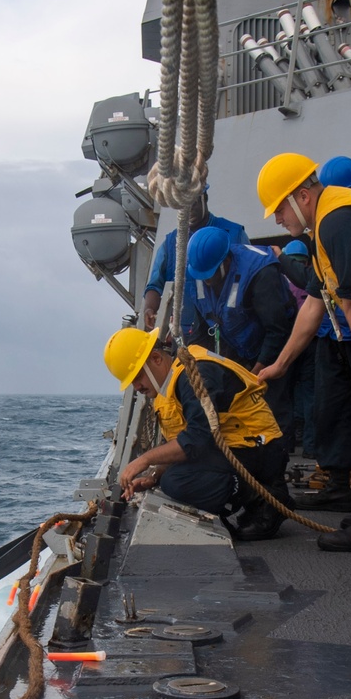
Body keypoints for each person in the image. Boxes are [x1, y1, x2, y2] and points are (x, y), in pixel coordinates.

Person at [255, 152, 351, 551]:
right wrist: (279, 364)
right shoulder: (323, 225)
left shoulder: (338, 221)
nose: (277, 220)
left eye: (278, 209)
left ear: (302, 197)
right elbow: (314, 303)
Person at [103, 327, 288, 540]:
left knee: (177, 481)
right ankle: (251, 499)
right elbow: (186, 441)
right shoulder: (172, 381)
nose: (136, 387)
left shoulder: (193, 375)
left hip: (262, 449)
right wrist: (154, 475)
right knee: (169, 478)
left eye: (137, 376)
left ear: (156, 358)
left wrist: (145, 460)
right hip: (240, 447)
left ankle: (266, 501)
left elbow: (197, 440)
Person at [288, 156, 351, 516]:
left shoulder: (346, 224)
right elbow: (316, 301)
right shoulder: (321, 236)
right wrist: (279, 364)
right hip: (334, 335)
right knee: (330, 409)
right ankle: (337, 484)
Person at [185, 227, 297, 447]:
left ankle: (277, 457)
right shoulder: (197, 276)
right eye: (202, 276)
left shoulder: (260, 272)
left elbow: (278, 330)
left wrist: (256, 373)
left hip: (277, 345)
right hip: (235, 342)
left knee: (273, 403)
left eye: (211, 275)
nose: (207, 281)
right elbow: (200, 332)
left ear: (226, 260)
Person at [143, 190, 247, 339]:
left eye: (192, 203)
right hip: (184, 338)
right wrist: (149, 308)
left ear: (205, 198)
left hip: (232, 334)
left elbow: (250, 277)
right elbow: (155, 285)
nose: (188, 210)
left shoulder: (233, 234)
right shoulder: (170, 244)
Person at [275, 240, 317, 458]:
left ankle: (287, 443)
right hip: (312, 342)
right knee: (310, 394)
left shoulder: (282, 281)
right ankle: (310, 447)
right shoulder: (311, 278)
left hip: (289, 344)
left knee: (286, 394)